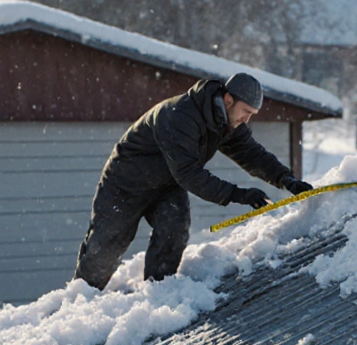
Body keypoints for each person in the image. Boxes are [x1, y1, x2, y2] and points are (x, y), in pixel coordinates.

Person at [73, 73, 313, 290]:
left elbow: (251, 153)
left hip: (165, 184)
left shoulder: (226, 121)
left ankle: (158, 292)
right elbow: (189, 173)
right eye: (246, 112)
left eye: (252, 115)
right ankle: (80, 304)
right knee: (107, 246)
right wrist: (237, 194)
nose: (246, 120)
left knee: (174, 229)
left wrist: (287, 179)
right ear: (228, 99)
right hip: (125, 184)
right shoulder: (179, 115)